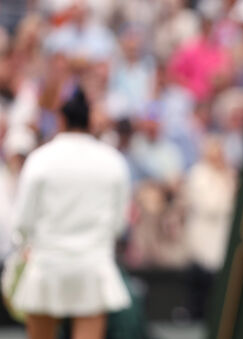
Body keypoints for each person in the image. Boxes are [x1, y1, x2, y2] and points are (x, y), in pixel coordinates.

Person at [10, 87, 131, 339]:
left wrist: (26, 245)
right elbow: (119, 224)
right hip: (92, 266)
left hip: (47, 265)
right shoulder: (113, 161)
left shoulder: (40, 160)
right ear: (88, 121)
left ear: (61, 120)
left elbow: (22, 222)